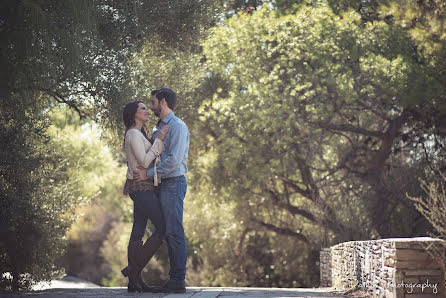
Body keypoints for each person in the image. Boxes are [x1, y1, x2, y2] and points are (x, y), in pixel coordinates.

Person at [134, 88, 189, 294]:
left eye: (153, 102)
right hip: (160, 183)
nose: (151, 106)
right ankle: (135, 272)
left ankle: (177, 281)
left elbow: (174, 162)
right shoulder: (159, 127)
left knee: (174, 231)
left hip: (173, 183)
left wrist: (147, 174)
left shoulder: (178, 126)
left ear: (163, 102)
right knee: (164, 230)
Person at [121, 100, 169, 292]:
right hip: (140, 188)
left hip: (143, 187)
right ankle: (133, 270)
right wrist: (160, 141)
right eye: (143, 108)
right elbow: (144, 161)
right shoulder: (133, 134)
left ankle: (134, 282)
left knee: (138, 230)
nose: (147, 111)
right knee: (163, 227)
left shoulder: (138, 134)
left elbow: (148, 160)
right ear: (134, 114)